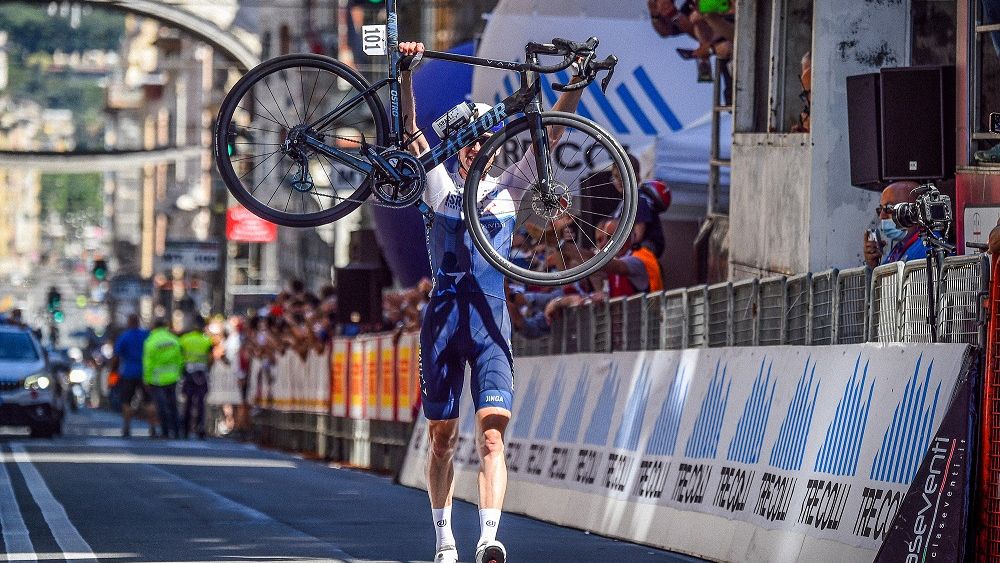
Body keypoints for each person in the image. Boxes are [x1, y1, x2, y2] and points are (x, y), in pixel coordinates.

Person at [398, 40, 587, 563]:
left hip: (490, 321)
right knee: (441, 438)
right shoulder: (438, 185)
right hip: (442, 320)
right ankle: (443, 539)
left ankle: (487, 538)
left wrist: (574, 83)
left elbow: (551, 133)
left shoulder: (507, 188)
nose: (476, 147)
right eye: (467, 141)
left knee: (491, 440)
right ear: (457, 148)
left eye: (483, 140)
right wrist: (408, 73)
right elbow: (412, 133)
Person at [863, 181, 930, 269]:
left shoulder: (928, 248)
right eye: (880, 210)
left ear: (914, 211)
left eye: (889, 208)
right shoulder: (900, 248)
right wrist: (873, 265)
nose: (881, 216)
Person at [112, 314, 156, 437]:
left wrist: (113, 371)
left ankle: (126, 426)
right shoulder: (146, 335)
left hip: (128, 373)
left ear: (129, 323)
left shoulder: (125, 336)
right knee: (149, 400)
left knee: (126, 401)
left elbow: (116, 356)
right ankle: (152, 427)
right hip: (145, 373)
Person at [143, 318, 184, 439]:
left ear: (154, 327)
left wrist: (146, 378)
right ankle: (176, 431)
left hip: (156, 379)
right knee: (173, 405)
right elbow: (180, 359)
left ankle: (165, 431)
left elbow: (148, 362)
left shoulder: (151, 341)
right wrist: (178, 373)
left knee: (161, 406)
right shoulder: (174, 340)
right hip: (172, 377)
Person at [179, 316, 213, 439]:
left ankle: (186, 428)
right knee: (200, 403)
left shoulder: (185, 339)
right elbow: (210, 358)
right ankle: (200, 427)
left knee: (188, 401)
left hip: (188, 373)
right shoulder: (206, 340)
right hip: (202, 374)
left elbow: (180, 356)